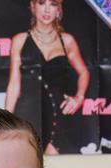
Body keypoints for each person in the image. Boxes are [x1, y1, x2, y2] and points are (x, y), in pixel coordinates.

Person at [5, 0, 89, 155]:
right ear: (33, 7)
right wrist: (5, 119)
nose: (47, 9)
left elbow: (84, 72)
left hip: (59, 118)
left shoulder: (67, 40)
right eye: (42, 3)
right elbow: (14, 83)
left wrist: (79, 97)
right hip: (27, 114)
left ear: (59, 10)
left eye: (53, 4)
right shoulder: (20, 40)